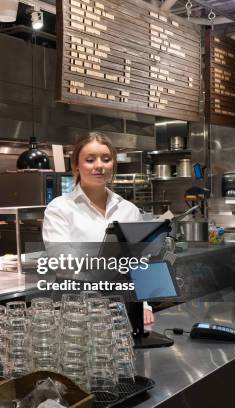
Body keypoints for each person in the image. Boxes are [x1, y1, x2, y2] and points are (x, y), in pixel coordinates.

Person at [42, 132, 155, 325]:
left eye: (106, 159)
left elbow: (139, 264)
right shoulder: (59, 208)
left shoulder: (129, 210)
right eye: (90, 159)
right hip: (74, 306)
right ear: (76, 165)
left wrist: (143, 305)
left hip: (119, 306)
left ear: (113, 165)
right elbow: (62, 260)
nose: (99, 166)